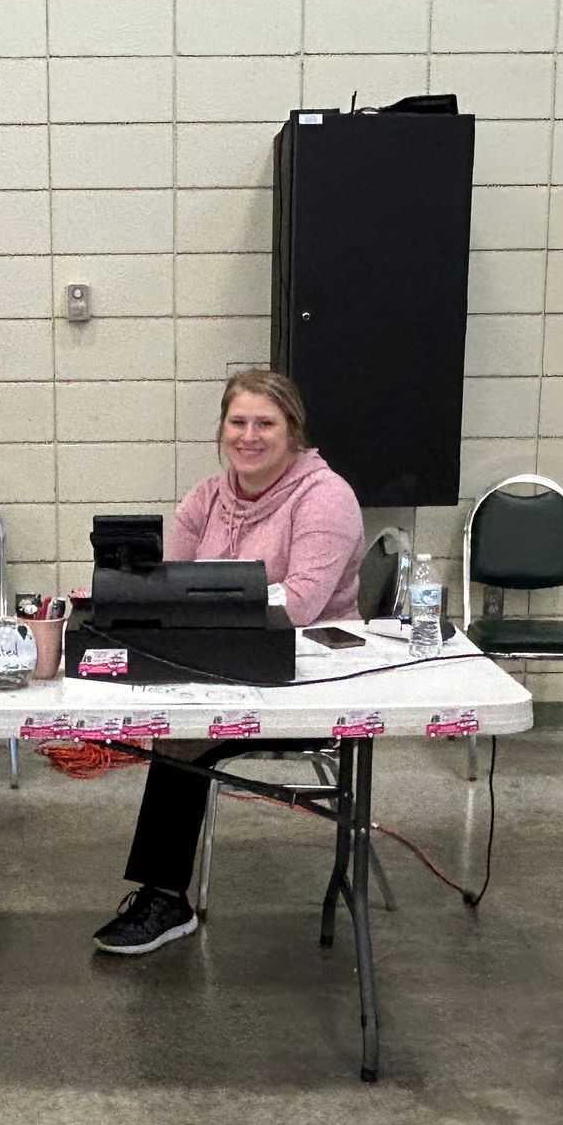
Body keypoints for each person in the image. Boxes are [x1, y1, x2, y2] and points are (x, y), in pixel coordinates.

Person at [93, 369, 365, 955]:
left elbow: (301, 603)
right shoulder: (207, 497)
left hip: (306, 679)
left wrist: (208, 598)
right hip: (222, 664)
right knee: (170, 724)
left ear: (292, 431)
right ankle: (165, 894)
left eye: (265, 423)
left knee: (178, 739)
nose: (249, 435)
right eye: (237, 422)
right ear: (222, 428)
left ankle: (164, 898)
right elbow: (167, 587)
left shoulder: (327, 497)